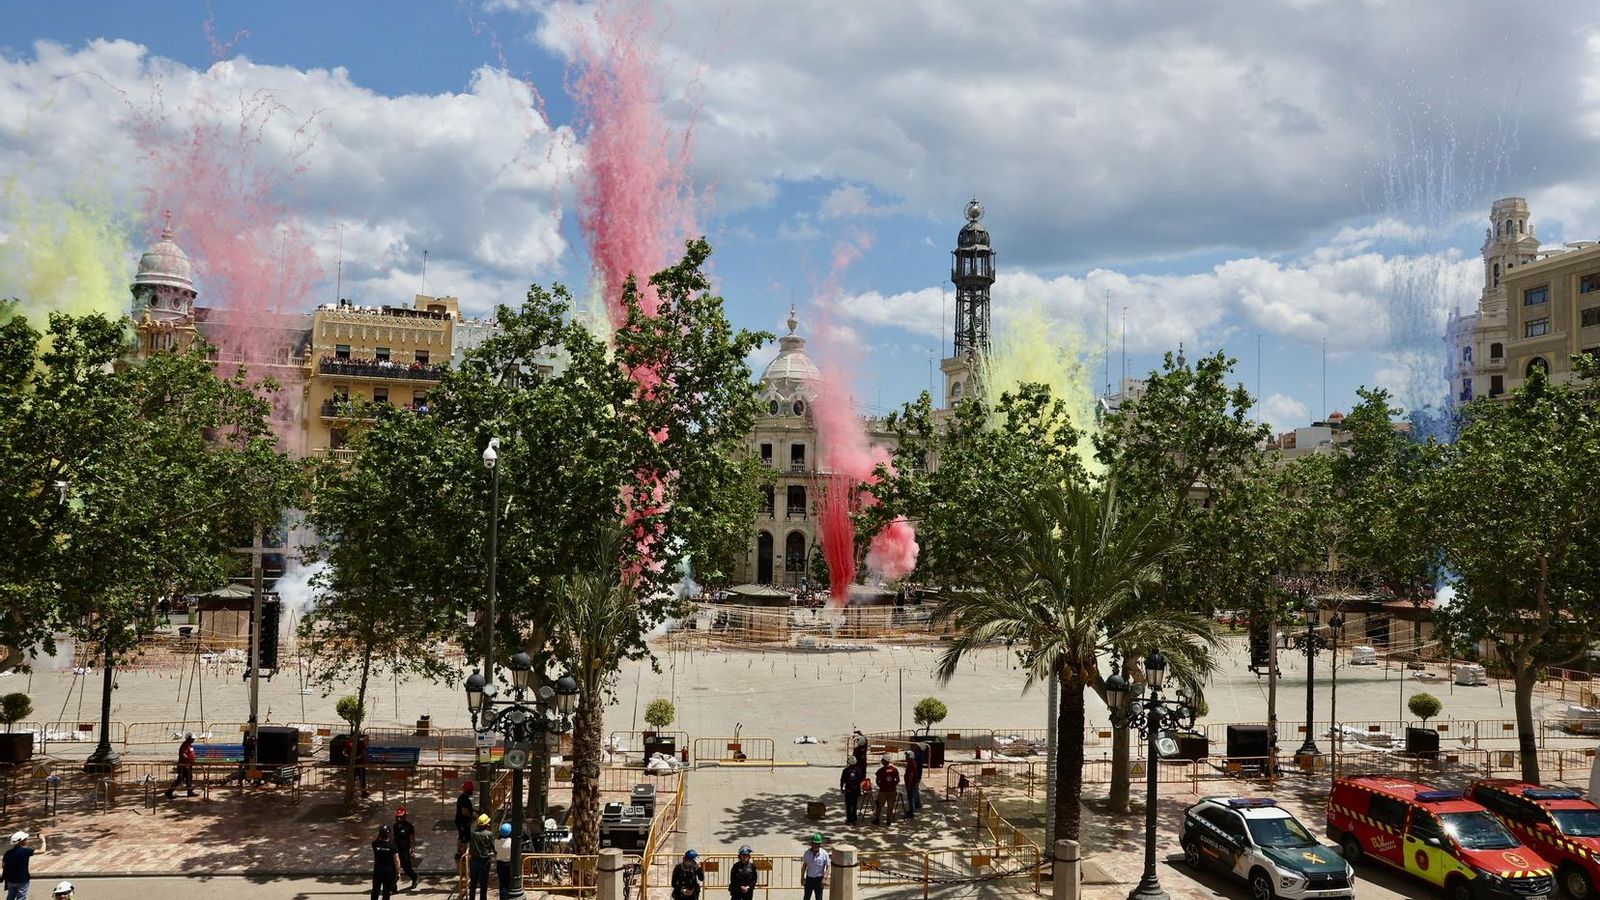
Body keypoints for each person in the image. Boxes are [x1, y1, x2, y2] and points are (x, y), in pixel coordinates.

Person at [468, 814, 495, 900]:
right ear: (486, 824)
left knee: (473, 883)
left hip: (474, 861)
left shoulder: (473, 834)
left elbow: (471, 847)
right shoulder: (489, 834)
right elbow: (493, 847)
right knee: (483, 883)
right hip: (485, 861)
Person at [371, 824, 400, 900]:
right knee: (386, 891)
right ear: (388, 834)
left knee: (375, 890)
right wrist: (398, 872)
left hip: (377, 871)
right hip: (388, 872)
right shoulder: (393, 846)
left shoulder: (375, 844)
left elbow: (376, 840)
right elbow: (396, 860)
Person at [4, 831, 36, 900]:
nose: (26, 840)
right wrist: (43, 840)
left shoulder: (7, 853)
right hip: (22, 880)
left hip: (10, 880)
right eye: (25, 839)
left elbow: (3, 866)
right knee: (21, 897)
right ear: (21, 841)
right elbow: (42, 850)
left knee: (10, 896)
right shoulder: (26, 851)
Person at [165, 733, 197, 799]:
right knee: (180, 779)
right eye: (192, 739)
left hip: (188, 765)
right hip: (183, 765)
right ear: (189, 738)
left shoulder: (189, 745)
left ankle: (190, 791)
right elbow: (183, 754)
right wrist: (188, 759)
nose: (193, 740)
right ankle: (169, 792)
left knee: (189, 778)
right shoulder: (185, 745)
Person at [393, 807, 418, 890]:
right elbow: (393, 838)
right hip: (396, 849)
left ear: (404, 817)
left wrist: (412, 850)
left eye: (400, 817)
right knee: (394, 867)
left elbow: (412, 839)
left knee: (406, 867)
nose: (399, 819)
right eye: (397, 817)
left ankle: (414, 877)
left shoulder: (409, 826)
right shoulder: (395, 826)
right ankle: (393, 886)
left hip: (405, 850)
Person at [801, 834, 830, 900]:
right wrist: (802, 877)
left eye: (818, 844)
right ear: (812, 843)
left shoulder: (824, 854)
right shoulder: (807, 853)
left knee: (819, 898)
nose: (816, 845)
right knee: (806, 897)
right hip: (809, 879)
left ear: (820, 844)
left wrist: (824, 878)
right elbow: (804, 865)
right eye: (815, 843)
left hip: (819, 880)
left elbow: (828, 867)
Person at [872, 755, 900, 825]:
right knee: (890, 806)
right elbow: (898, 780)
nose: (881, 761)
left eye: (882, 760)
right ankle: (888, 820)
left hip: (883, 791)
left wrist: (881, 786)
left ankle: (877, 819)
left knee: (879, 805)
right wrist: (893, 785)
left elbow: (877, 781)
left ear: (884, 761)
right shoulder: (894, 769)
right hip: (892, 791)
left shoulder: (880, 771)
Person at [839, 757, 863, 825]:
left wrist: (841, 788)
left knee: (848, 805)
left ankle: (849, 819)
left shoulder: (845, 770)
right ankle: (854, 819)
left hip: (848, 790)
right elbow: (860, 779)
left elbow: (842, 780)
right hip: (855, 790)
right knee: (854, 805)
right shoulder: (858, 770)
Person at [455, 782, 476, 851]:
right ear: (467, 790)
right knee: (465, 839)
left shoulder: (462, 797)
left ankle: (458, 851)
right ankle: (463, 854)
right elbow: (464, 812)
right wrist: (472, 817)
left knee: (461, 836)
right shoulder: (465, 799)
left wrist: (475, 810)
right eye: (471, 790)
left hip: (459, 820)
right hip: (463, 822)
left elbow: (467, 808)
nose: (472, 791)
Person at [902, 749, 922, 820]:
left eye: (907, 756)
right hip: (911, 783)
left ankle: (911, 812)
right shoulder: (911, 762)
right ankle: (911, 811)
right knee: (911, 797)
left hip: (911, 784)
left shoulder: (911, 763)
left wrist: (909, 784)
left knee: (910, 798)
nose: (906, 757)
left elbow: (911, 774)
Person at [495, 823, 513, 900]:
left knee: (502, 884)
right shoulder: (511, 842)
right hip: (508, 864)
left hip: (500, 864)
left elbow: (496, 850)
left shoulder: (496, 841)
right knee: (508, 883)